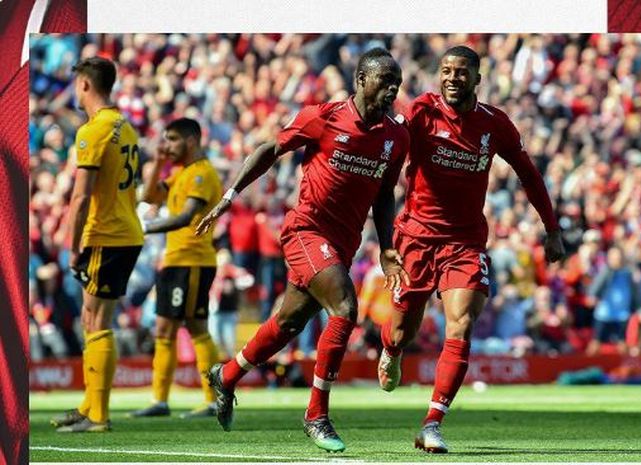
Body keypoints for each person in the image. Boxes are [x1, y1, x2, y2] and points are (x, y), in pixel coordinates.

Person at [195, 47, 410, 452]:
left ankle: (225, 376)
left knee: (288, 323)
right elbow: (268, 150)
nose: (392, 89)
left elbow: (384, 195)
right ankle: (317, 414)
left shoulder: (396, 137)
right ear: (361, 80)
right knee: (345, 309)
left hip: (344, 243)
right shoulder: (323, 117)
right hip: (306, 232)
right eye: (385, 80)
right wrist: (228, 197)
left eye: (396, 83)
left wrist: (386, 247)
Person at [377, 46, 565, 453]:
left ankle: (432, 423)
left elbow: (528, 175)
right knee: (402, 330)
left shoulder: (494, 124)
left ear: (477, 79)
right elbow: (388, 152)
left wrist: (551, 229)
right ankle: (391, 350)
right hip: (416, 238)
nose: (452, 78)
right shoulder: (421, 113)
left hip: (465, 242)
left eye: (461, 72)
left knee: (460, 324)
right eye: (446, 70)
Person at [50, 57, 144, 432]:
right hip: (123, 231)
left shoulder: (94, 131)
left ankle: (99, 416)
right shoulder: (125, 126)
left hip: (108, 235)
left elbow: (80, 196)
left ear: (85, 85)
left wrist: (72, 246)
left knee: (98, 320)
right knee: (92, 319)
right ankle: (90, 405)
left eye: (76, 85)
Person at [128, 118, 222, 419]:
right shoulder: (180, 172)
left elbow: (185, 218)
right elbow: (149, 196)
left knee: (196, 329)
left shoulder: (202, 174)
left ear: (191, 141)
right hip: (174, 260)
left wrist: (142, 227)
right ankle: (161, 400)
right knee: (165, 331)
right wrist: (156, 161)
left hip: (193, 262)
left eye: (171, 139)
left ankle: (212, 399)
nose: (166, 145)